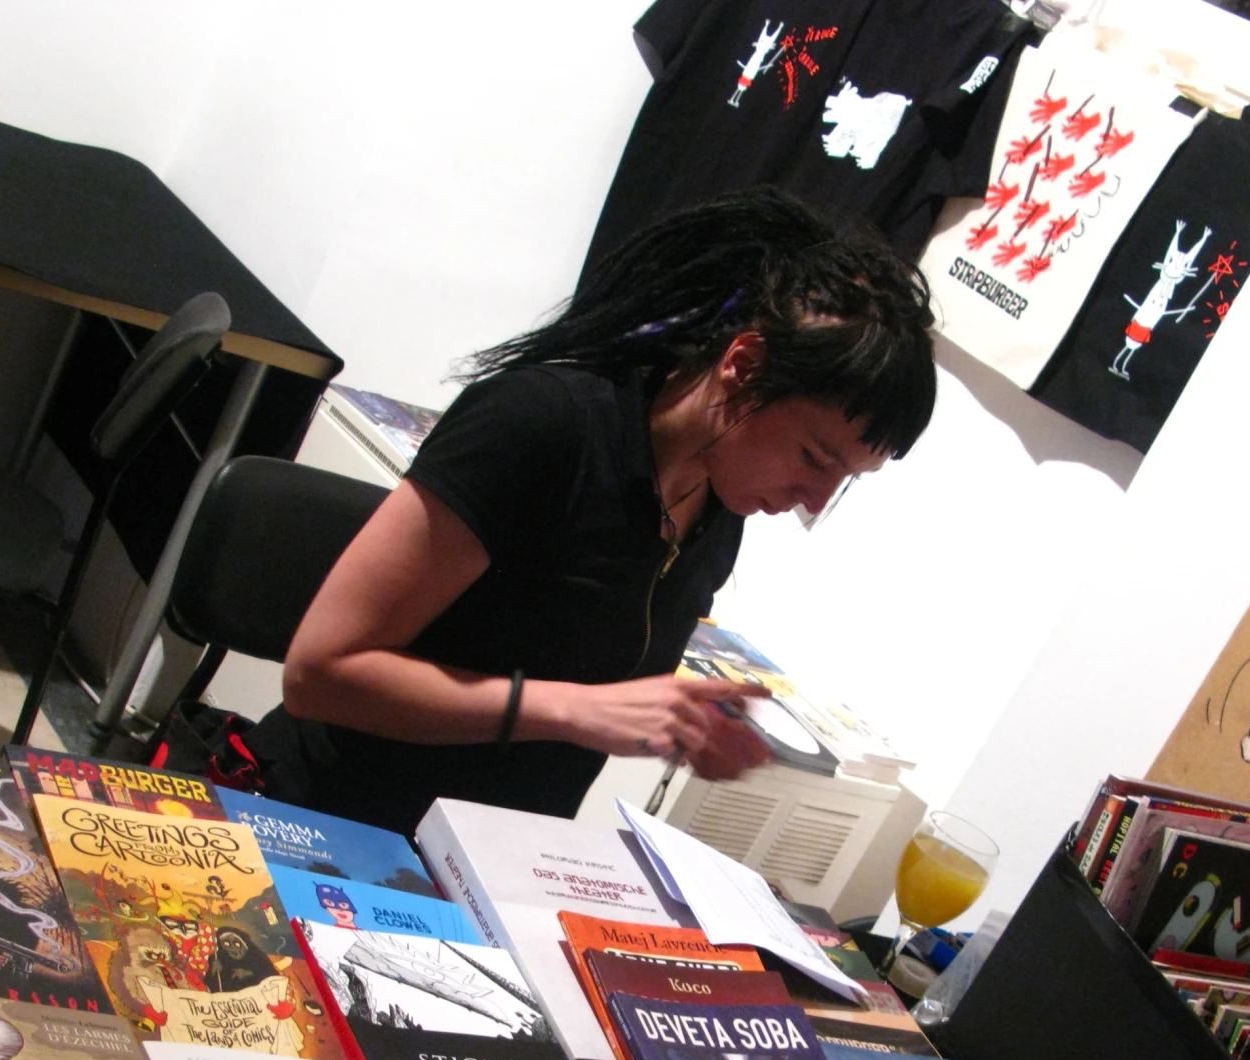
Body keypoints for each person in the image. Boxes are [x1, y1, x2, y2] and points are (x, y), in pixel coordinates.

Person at [246, 187, 937, 833]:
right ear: (744, 364)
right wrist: (574, 709)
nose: (811, 501)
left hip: (473, 859)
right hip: (324, 820)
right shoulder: (540, 426)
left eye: (843, 480)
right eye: (816, 458)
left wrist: (676, 726)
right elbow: (320, 673)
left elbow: (596, 695)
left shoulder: (717, 510)